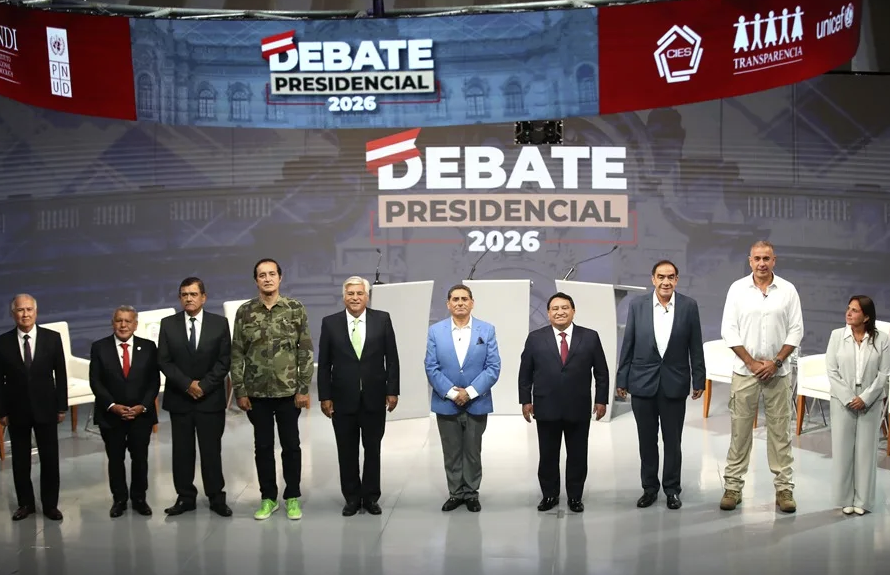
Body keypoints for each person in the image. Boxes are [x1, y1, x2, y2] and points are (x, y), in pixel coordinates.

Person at [719, 240, 803, 513]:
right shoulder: (737, 289)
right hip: (745, 372)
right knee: (740, 432)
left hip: (779, 373)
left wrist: (776, 362)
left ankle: (784, 489)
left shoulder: (788, 290)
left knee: (780, 433)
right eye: (757, 258)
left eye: (766, 258)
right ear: (750, 261)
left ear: (774, 260)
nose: (762, 263)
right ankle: (733, 487)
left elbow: (796, 330)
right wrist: (752, 362)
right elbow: (729, 330)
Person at [616, 261, 706, 510]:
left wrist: (699, 378)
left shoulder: (689, 306)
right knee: (647, 441)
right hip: (642, 383)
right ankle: (649, 488)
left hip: (674, 383)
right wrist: (622, 378)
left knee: (673, 442)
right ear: (653, 279)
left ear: (677, 280)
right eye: (661, 277)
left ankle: (672, 490)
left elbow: (695, 345)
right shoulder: (638, 305)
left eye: (671, 277)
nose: (666, 282)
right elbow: (628, 343)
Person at [231, 258, 314, 521]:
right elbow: (237, 353)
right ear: (256, 280)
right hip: (256, 394)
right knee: (263, 447)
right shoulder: (245, 312)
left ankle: (292, 497)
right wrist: (240, 390)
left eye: (271, 274)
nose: (267, 279)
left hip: (288, 392)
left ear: (280, 277)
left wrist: (303, 388)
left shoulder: (295, 309)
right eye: (262, 275)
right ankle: (268, 498)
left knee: (291, 446)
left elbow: (305, 350)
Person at [519, 292, 609, 513]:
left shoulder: (590, 337)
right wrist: (525, 400)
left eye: (565, 307)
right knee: (548, 454)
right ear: (548, 313)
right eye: (555, 308)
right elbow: (525, 372)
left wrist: (601, 400)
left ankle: (575, 496)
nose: (560, 312)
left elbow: (601, 372)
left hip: (578, 406)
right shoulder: (535, 338)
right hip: (546, 406)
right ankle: (549, 495)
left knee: (578, 454)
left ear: (573, 311)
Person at [317, 276, 400, 516]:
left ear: (367, 296)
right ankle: (352, 498)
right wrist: (325, 396)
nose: (355, 298)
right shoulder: (330, 323)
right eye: (351, 293)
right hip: (342, 399)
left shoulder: (382, 319)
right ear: (344, 297)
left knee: (373, 450)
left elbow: (392, 358)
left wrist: (392, 390)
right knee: (347, 451)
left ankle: (371, 497)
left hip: (374, 397)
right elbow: (324, 364)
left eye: (359, 293)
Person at [158, 277, 233, 517]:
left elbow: (224, 360)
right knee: (182, 452)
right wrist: (187, 385)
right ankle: (185, 497)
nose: (188, 298)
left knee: (211, 451)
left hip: (210, 399)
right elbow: (164, 361)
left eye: (193, 294)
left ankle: (216, 498)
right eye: (184, 295)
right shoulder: (168, 324)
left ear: (203, 297)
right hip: (180, 398)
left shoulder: (219, 324)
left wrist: (203, 386)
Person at [425, 284, 500, 512]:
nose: (460, 303)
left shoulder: (487, 330)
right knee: (451, 452)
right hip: (446, 403)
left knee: (473, 452)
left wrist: (469, 392)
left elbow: (493, 367)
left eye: (464, 299)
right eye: (455, 299)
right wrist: (452, 393)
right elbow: (431, 366)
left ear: (472, 303)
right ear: (448, 304)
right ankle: (456, 493)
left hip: (477, 402)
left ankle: (471, 493)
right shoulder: (435, 331)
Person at [0, 294, 67, 521]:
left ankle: (50, 505)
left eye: (29, 309)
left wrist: (61, 406)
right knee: (20, 461)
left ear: (36, 312)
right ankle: (25, 504)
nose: (25, 314)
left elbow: (61, 375)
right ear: (13, 314)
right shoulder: (3, 342)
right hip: (16, 410)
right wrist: (2, 411)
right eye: (20, 310)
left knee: (50, 459)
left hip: (46, 408)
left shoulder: (52, 338)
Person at [89, 306, 160, 518]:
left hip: (141, 415)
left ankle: (139, 499)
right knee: (115, 459)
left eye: (128, 321)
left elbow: (154, 382)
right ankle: (119, 499)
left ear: (135, 324)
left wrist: (143, 406)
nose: (123, 325)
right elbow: (96, 381)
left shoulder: (148, 347)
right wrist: (112, 406)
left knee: (140, 459)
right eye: (119, 320)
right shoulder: (99, 347)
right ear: (112, 323)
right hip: (111, 416)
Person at [826, 295, 890, 515]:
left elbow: (884, 374)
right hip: (842, 399)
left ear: (866, 317)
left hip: (870, 401)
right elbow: (832, 371)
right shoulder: (836, 336)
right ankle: (845, 498)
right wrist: (848, 397)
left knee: (866, 452)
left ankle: (863, 501)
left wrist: (866, 397)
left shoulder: (882, 339)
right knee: (842, 450)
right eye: (848, 308)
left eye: (855, 310)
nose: (849, 313)